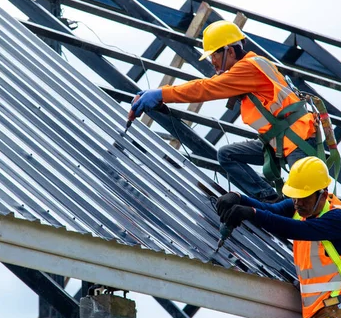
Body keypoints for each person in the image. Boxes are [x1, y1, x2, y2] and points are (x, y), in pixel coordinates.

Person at [130, 20, 316, 202]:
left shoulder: (248, 68)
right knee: (227, 154)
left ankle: (292, 217)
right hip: (281, 140)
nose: (213, 62)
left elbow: (205, 88)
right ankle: (269, 200)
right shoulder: (256, 63)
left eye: (214, 56)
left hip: (297, 140)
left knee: (305, 201)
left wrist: (162, 94)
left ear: (230, 51)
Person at [215, 156, 341, 318]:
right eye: (295, 197)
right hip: (329, 313)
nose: (298, 203)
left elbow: (296, 229)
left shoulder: (338, 219)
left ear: (323, 194)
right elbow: (272, 210)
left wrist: (251, 213)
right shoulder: (301, 207)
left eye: (304, 198)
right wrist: (238, 199)